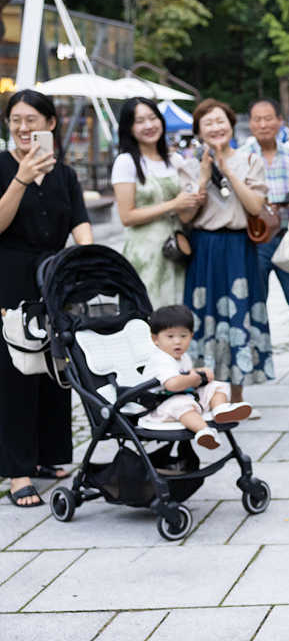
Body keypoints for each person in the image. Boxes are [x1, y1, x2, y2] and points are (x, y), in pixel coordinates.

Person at [0, 89, 93, 507]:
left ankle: (49, 456)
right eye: (16, 119)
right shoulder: (1, 166)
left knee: (54, 365)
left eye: (32, 119)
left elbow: (80, 222)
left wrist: (88, 265)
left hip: (54, 277)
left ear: (50, 124)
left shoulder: (65, 174)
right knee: (15, 373)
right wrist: (21, 177)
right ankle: (17, 470)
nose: (23, 128)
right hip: (10, 277)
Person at [179, 99, 273, 405]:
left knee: (239, 313)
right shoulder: (189, 165)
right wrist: (205, 177)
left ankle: (238, 395)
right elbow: (185, 217)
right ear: (198, 132)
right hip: (205, 247)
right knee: (204, 315)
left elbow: (255, 207)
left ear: (231, 124)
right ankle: (208, 393)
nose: (216, 128)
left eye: (221, 121)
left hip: (238, 247)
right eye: (208, 124)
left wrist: (228, 172)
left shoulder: (249, 161)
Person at [242, 98, 289, 376]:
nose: (262, 124)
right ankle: (257, 355)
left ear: (279, 121)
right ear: (250, 124)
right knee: (255, 300)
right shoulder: (243, 155)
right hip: (256, 239)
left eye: (268, 118)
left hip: (287, 236)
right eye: (257, 119)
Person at [112, 98, 202, 308]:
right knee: (147, 317)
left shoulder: (175, 161)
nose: (149, 125)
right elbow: (127, 217)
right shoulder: (125, 162)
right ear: (129, 128)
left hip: (177, 252)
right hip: (144, 255)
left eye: (153, 118)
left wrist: (196, 198)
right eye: (140, 121)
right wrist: (173, 205)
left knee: (177, 319)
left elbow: (185, 214)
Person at [140, 304, 253, 448]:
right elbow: (172, 384)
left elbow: (186, 374)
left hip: (185, 396)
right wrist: (195, 378)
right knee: (181, 405)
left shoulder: (182, 356)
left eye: (183, 336)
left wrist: (200, 373)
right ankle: (204, 430)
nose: (177, 341)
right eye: (170, 336)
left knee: (218, 385)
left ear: (191, 336)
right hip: (159, 406)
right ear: (155, 339)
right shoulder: (160, 359)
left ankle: (220, 409)